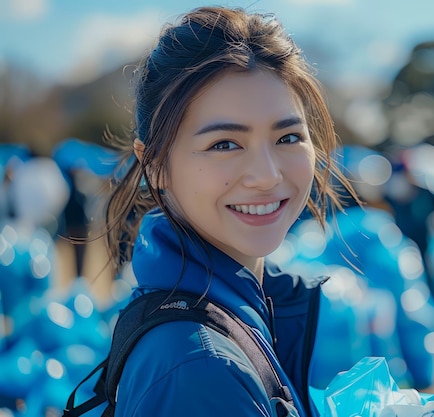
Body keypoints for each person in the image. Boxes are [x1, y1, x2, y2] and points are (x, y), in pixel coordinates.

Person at [101, 6, 359, 417]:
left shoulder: (250, 308)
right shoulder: (198, 369)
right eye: (224, 143)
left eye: (288, 136)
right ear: (155, 165)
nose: (267, 175)